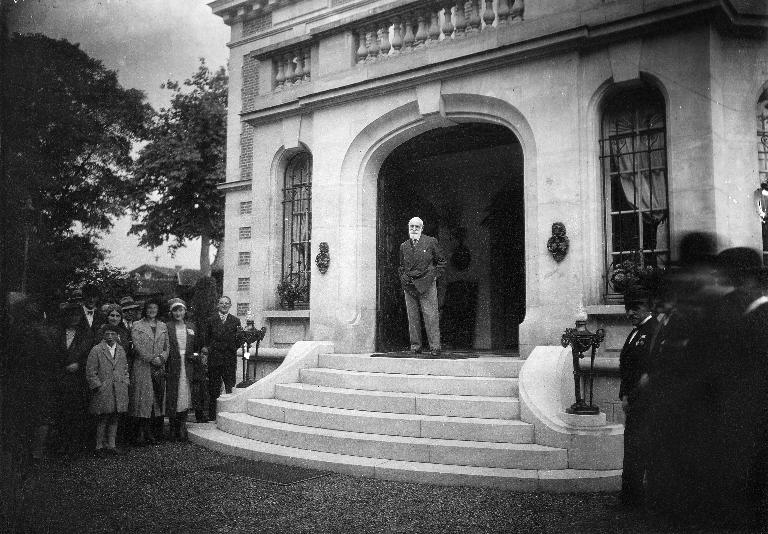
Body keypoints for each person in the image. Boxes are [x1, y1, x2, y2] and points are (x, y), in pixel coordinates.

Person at [618, 291, 659, 507]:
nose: (630, 313)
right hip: (633, 400)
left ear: (648, 307)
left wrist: (631, 397)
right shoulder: (635, 332)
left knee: (640, 449)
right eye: (628, 308)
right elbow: (626, 368)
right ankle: (630, 496)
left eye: (636, 307)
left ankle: (638, 498)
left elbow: (648, 372)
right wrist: (624, 395)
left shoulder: (653, 330)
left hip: (645, 401)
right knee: (632, 447)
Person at [398, 216, 446, 357]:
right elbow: (401, 266)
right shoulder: (404, 246)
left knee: (431, 316)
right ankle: (415, 346)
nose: (414, 229)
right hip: (409, 285)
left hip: (426, 283)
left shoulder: (430, 242)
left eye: (417, 227)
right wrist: (403, 278)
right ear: (408, 228)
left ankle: (435, 347)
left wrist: (434, 276)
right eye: (411, 226)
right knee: (412, 317)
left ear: (422, 229)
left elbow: (441, 261)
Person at [53, 302, 92, 455]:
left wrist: (79, 365)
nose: (74, 319)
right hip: (61, 376)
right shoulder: (58, 333)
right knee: (62, 411)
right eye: (71, 316)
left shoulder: (86, 334)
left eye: (77, 316)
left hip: (78, 378)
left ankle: (75, 445)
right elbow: (53, 353)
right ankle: (62, 443)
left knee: (77, 411)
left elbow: (90, 356)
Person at [85, 324, 130, 455]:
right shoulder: (97, 350)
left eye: (113, 334)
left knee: (115, 417)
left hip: (119, 388)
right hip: (104, 389)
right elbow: (90, 371)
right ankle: (99, 446)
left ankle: (111, 444)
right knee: (103, 418)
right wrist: (97, 385)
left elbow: (125, 368)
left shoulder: (121, 350)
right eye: (107, 334)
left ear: (117, 335)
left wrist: (126, 381)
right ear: (103, 336)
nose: (110, 337)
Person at [129, 298, 168, 445]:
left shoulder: (163, 326)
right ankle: (140, 433)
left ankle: (150, 432)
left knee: (155, 401)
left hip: (158, 367)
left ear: (158, 310)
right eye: (149, 308)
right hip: (143, 366)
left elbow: (167, 346)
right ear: (145, 309)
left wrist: (162, 358)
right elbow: (137, 346)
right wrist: (152, 359)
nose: (152, 310)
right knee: (142, 400)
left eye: (155, 308)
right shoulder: (137, 325)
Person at [165, 298, 199, 440]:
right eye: (175, 310)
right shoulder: (167, 326)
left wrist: (195, 355)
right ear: (171, 312)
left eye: (181, 310)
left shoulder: (191, 326)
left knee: (185, 393)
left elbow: (197, 345)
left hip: (188, 364)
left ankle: (182, 425)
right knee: (174, 394)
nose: (178, 313)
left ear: (185, 311)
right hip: (173, 364)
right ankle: (173, 427)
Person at [202, 296, 241, 421]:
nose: (224, 305)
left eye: (227, 303)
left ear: (230, 305)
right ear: (218, 305)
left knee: (230, 386)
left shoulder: (235, 321)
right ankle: (213, 415)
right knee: (214, 387)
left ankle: (229, 413)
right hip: (215, 358)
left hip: (229, 359)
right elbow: (206, 339)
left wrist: (230, 348)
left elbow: (238, 340)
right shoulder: (210, 320)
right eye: (222, 303)